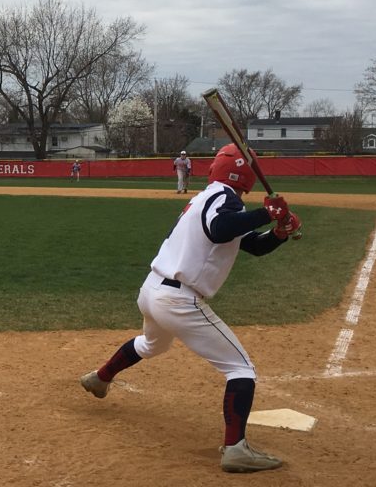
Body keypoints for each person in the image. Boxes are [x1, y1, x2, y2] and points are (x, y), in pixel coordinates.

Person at [79, 143, 302, 473]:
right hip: (178, 300)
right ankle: (235, 448)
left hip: (153, 290)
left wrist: (279, 232)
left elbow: (250, 245)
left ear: (217, 167)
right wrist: (267, 213)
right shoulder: (224, 199)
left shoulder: (208, 198)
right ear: (246, 178)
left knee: (151, 344)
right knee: (241, 369)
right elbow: (220, 229)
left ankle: (100, 378)